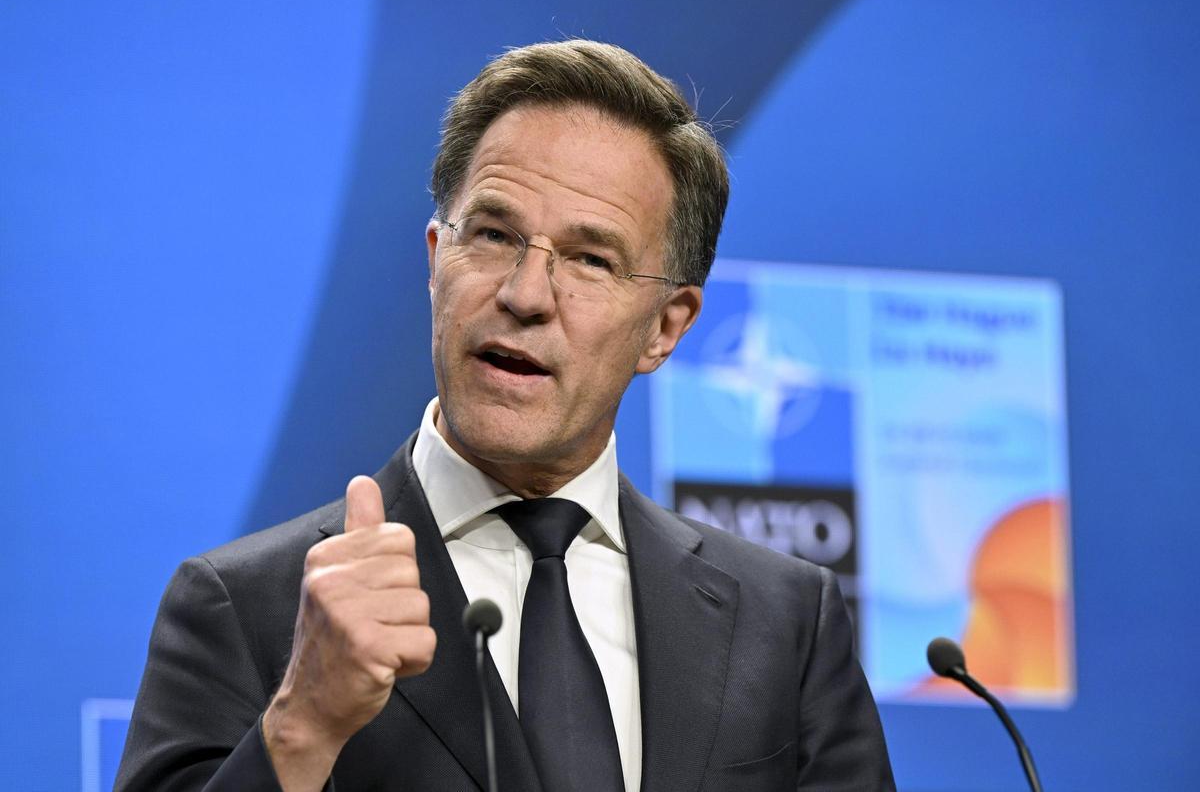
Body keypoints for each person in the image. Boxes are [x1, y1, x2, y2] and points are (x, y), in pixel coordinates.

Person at [115, 39, 895, 791]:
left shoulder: (785, 623)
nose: (525, 294)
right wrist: (302, 726)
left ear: (666, 326)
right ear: (434, 259)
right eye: (492, 234)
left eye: (592, 259)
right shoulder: (247, 605)